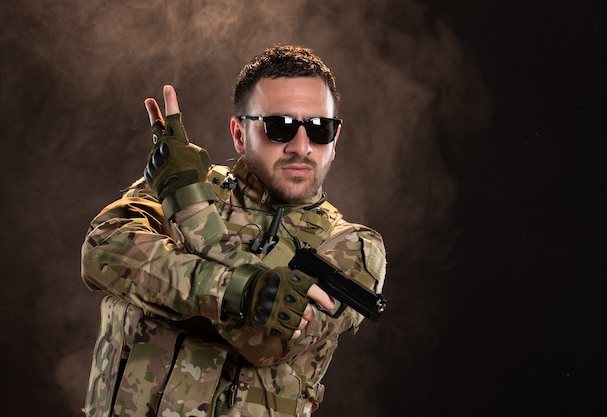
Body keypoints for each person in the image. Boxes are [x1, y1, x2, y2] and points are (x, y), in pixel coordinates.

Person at [80, 45, 387, 417]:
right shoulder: (186, 178)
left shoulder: (355, 246)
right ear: (240, 134)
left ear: (334, 141)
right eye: (280, 126)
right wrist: (237, 293)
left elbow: (270, 341)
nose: (301, 147)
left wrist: (190, 209)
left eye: (320, 129)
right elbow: (102, 250)